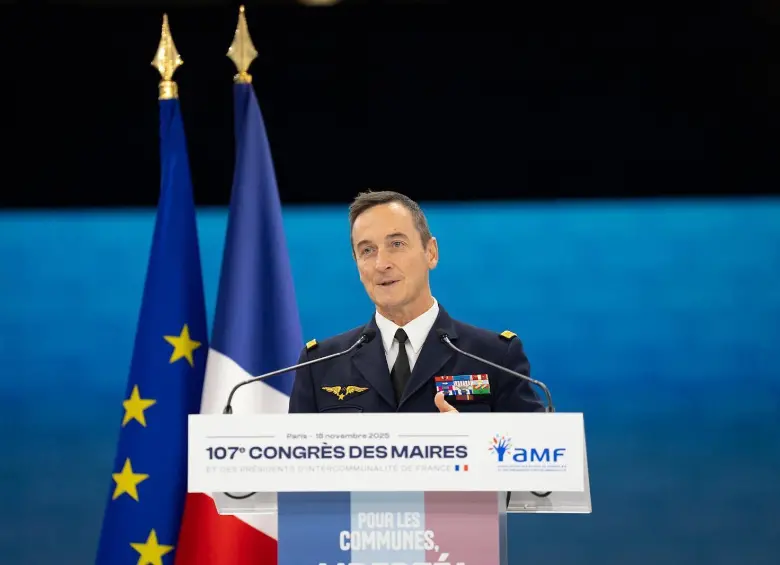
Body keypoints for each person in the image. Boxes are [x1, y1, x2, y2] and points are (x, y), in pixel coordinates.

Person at [288, 190, 544, 414]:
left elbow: (536, 456)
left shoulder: (495, 358)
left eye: (396, 244)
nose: (381, 264)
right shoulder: (320, 365)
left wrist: (473, 442)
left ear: (431, 253)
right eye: (367, 251)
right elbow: (296, 465)